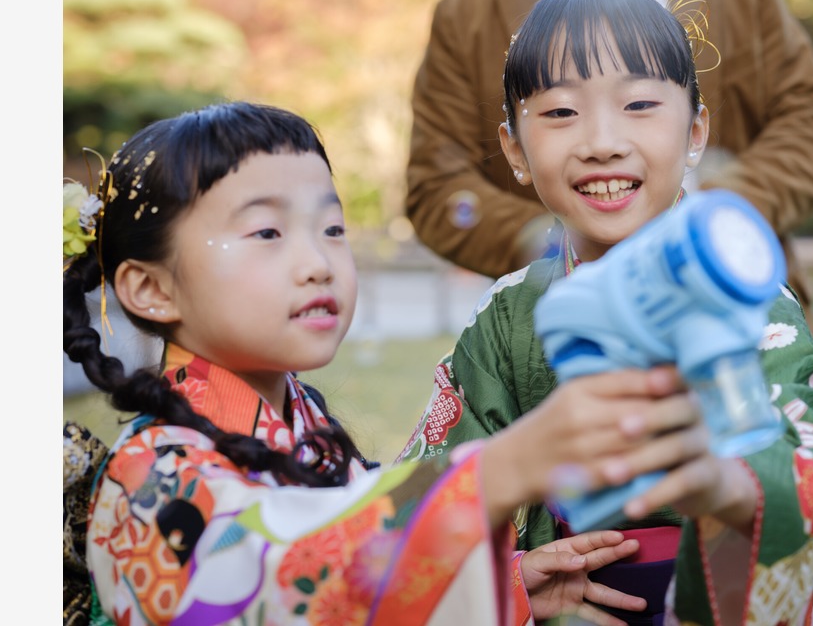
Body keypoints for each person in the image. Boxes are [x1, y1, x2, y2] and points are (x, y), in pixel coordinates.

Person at [63, 101, 722, 625]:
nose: (318, 261)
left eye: (331, 229)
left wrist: (512, 590)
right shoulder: (149, 476)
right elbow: (281, 577)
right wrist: (501, 469)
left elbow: (359, 582)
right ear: (151, 288)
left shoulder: (306, 429)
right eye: (267, 232)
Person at [398, 0, 813, 625]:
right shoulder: (508, 318)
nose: (602, 141)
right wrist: (511, 582)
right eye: (561, 113)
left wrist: (727, 487)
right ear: (515, 149)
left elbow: (802, 463)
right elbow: (430, 493)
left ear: (696, 131)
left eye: (640, 104)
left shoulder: (750, 303)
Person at [405, 0, 813, 322]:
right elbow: (438, 186)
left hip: (737, 309)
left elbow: (811, 121)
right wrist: (565, 249)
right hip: (563, 330)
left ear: (698, 131)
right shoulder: (468, 17)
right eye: (561, 109)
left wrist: (712, 219)